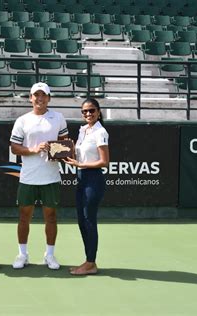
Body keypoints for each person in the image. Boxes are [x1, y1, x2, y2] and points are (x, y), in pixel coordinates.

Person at [9, 82, 68, 270]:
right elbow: (14, 147)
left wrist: (56, 149)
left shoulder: (58, 118)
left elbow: (65, 144)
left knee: (51, 217)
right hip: (28, 177)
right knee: (24, 217)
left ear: (49, 98)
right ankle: (22, 254)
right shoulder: (22, 120)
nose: (40, 98)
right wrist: (34, 149)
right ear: (30, 98)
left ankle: (49, 255)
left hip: (51, 177)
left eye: (43, 95)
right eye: (36, 95)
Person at [64, 98, 109, 275]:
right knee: (82, 221)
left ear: (98, 112)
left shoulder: (100, 132)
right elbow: (79, 156)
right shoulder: (83, 130)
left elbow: (104, 162)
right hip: (82, 179)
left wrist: (81, 165)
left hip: (94, 180)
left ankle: (91, 263)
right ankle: (88, 261)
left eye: (91, 110)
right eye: (85, 111)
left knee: (89, 221)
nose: (88, 114)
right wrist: (66, 149)